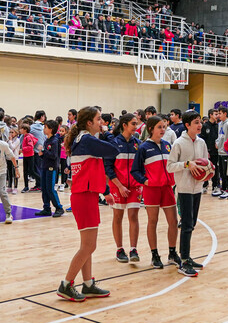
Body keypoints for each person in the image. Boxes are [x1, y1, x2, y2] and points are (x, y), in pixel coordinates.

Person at [57, 106, 117, 302]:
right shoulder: (88, 140)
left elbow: (94, 169)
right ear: (89, 122)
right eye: (99, 119)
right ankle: (66, 284)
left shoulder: (83, 140)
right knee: (89, 246)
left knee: (87, 245)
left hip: (86, 195)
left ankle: (88, 284)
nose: (103, 122)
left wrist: (106, 192)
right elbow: (114, 150)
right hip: (84, 196)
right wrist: (108, 132)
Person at [132, 115, 181, 270]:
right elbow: (135, 170)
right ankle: (155, 255)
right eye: (160, 127)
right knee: (153, 221)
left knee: (173, 221)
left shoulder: (167, 146)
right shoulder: (143, 147)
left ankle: (172, 253)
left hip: (167, 188)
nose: (163, 130)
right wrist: (146, 181)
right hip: (151, 189)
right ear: (151, 129)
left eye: (164, 127)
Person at [166, 110, 210, 277]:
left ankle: (188, 257)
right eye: (196, 123)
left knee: (191, 224)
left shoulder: (202, 143)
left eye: (200, 122)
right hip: (184, 189)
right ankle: (183, 261)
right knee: (185, 226)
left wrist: (206, 173)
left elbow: (206, 164)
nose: (200, 125)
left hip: (197, 188)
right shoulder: (178, 143)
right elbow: (170, 166)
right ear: (187, 125)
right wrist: (186, 164)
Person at [107, 113, 142, 262]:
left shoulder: (138, 144)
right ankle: (119, 249)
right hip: (117, 186)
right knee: (118, 217)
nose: (136, 126)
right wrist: (120, 186)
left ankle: (133, 249)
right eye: (133, 124)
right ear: (125, 125)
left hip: (134, 186)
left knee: (133, 216)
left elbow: (141, 166)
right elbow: (108, 168)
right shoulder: (113, 143)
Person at [37, 119, 65, 217]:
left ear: (51, 129)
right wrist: (41, 154)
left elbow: (53, 155)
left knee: (50, 188)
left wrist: (43, 151)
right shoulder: (47, 140)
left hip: (51, 168)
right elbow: (46, 155)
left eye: (46, 127)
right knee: (44, 188)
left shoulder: (55, 141)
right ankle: (46, 208)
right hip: (44, 166)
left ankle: (59, 207)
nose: (44, 129)